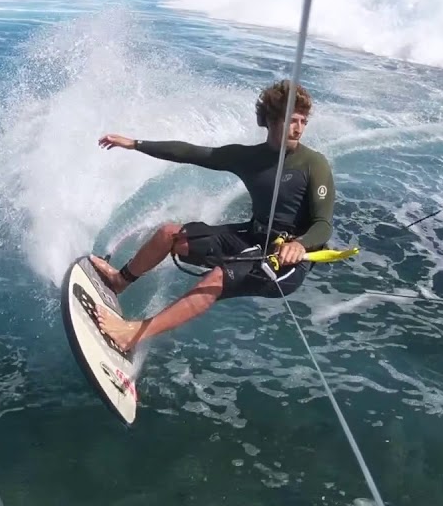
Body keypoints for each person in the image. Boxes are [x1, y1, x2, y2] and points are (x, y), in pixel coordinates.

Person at [89, 79, 336, 353]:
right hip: (253, 236)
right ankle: (120, 281)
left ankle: (131, 335)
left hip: (288, 261)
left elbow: (323, 225)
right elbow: (191, 153)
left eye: (303, 121)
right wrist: (134, 144)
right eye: (292, 120)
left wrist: (300, 244)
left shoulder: (314, 164)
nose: (299, 128)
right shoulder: (249, 157)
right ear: (270, 120)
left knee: (217, 278)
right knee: (169, 234)